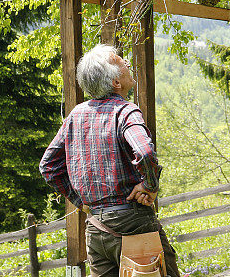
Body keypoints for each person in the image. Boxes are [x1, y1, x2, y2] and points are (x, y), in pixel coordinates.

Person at [39, 44, 179, 276]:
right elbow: (145, 152)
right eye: (122, 63)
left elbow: (48, 167)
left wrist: (81, 202)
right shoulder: (125, 111)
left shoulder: (75, 115)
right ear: (116, 83)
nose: (127, 64)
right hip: (133, 222)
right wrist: (150, 185)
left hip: (96, 228)